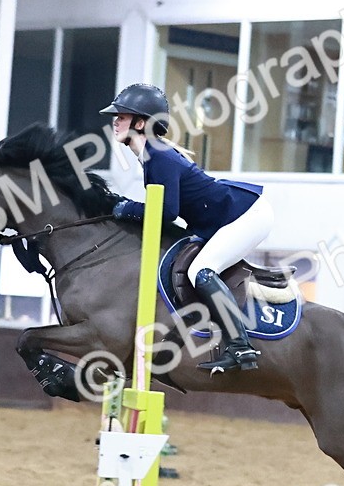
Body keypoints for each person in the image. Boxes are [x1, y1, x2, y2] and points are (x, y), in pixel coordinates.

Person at [102, 83, 273, 374]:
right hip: (228, 216)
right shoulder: (152, 156)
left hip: (246, 215)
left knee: (201, 271)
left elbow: (166, 213)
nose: (115, 120)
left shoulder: (158, 157)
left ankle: (240, 347)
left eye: (123, 115)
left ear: (141, 123)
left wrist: (125, 208)